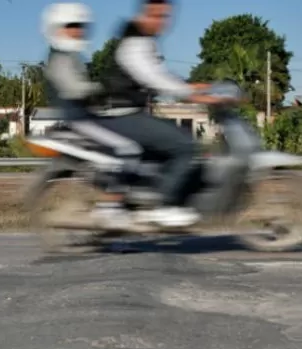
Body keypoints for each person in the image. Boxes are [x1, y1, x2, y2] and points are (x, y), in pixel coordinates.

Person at [97, 0, 233, 227]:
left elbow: (161, 75)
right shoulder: (135, 43)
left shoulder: (143, 41)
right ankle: (165, 205)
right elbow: (154, 78)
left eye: (165, 16)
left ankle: (143, 203)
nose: (162, 22)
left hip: (129, 113)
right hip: (122, 115)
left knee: (168, 145)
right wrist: (193, 94)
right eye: (157, 15)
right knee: (185, 144)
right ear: (144, 15)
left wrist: (197, 86)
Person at [40, 2, 140, 229]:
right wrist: (101, 88)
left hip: (87, 116)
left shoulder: (71, 56)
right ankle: (110, 210)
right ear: (57, 28)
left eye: (80, 26)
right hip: (79, 120)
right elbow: (75, 89)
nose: (78, 31)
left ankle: (122, 214)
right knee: (127, 149)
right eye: (72, 26)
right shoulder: (60, 58)